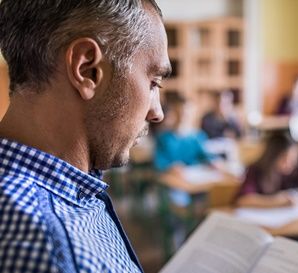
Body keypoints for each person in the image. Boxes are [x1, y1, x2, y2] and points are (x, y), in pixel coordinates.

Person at [0, 1, 168, 272]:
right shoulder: (54, 251)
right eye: (153, 82)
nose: (157, 112)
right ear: (87, 70)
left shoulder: (65, 195)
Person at [235, 132, 298, 208]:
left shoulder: (289, 172)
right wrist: (275, 201)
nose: (290, 164)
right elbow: (243, 200)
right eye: (285, 158)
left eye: (294, 159)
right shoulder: (255, 170)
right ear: (273, 155)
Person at [153, 92, 214, 172]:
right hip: (173, 177)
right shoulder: (164, 138)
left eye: (186, 113)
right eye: (180, 113)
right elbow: (159, 163)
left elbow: (206, 156)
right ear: (174, 113)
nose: (183, 116)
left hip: (194, 175)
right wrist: (170, 167)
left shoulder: (198, 136)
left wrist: (213, 162)